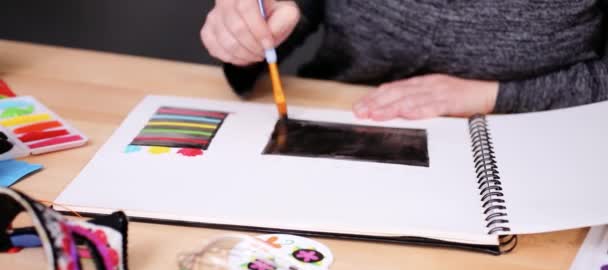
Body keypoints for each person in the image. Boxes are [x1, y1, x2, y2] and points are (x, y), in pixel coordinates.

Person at [200, 0, 608, 120]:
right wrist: (250, 32)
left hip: (535, 142)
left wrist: (497, 96)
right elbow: (297, 10)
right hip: (342, 118)